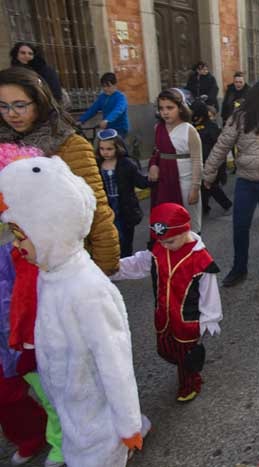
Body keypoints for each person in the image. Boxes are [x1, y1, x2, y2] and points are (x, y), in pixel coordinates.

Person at [0, 155, 147, 467]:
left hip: (100, 422)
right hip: (73, 416)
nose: (16, 247)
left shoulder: (87, 289)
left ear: (48, 229)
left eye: (20, 235)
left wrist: (128, 425)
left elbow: (115, 362)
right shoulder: (48, 276)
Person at [0, 66, 120, 273]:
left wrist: (104, 267)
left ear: (40, 102)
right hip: (19, 261)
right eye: (3, 106)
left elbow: (98, 211)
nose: (11, 114)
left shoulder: (70, 145)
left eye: (20, 105)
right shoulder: (5, 146)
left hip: (68, 264)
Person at [111, 202, 221, 403]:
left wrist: (209, 320)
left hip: (188, 323)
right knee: (166, 351)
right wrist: (113, 269)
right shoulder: (158, 249)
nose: (163, 246)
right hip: (163, 316)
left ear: (184, 230)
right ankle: (184, 367)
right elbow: (137, 264)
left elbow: (210, 295)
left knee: (185, 359)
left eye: (169, 241)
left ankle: (190, 382)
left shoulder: (201, 260)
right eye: (161, 241)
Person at [0, 143, 63, 467]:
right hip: (6, 321)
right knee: (12, 388)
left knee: (47, 380)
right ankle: (35, 433)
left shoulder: (32, 231)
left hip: (31, 315)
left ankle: (59, 436)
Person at [203, 80, 259, 286]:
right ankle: (238, 269)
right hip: (245, 181)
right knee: (240, 226)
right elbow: (221, 146)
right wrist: (208, 174)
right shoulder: (239, 119)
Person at [148, 88, 203, 233]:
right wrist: (153, 165)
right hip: (164, 183)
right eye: (161, 108)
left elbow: (197, 161)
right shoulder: (158, 128)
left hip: (185, 184)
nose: (165, 112)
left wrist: (195, 188)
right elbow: (156, 151)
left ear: (180, 108)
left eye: (170, 108)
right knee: (167, 223)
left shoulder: (189, 130)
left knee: (189, 225)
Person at [96, 129, 149, 258]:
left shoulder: (127, 164)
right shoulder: (97, 164)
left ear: (118, 148)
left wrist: (153, 176)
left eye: (109, 149)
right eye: (102, 149)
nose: (105, 152)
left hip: (125, 206)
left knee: (125, 236)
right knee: (110, 236)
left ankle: (125, 261)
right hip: (106, 206)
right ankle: (112, 259)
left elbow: (141, 182)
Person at [191, 101, 232, 214]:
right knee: (203, 187)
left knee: (211, 186)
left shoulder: (211, 126)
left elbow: (219, 147)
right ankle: (204, 208)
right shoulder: (192, 126)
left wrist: (218, 166)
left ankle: (226, 204)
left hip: (210, 162)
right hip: (197, 161)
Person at [79, 72, 130, 137]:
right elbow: (93, 109)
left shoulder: (120, 97)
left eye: (108, 86)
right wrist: (81, 120)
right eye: (103, 86)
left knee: (115, 145)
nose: (105, 88)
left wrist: (107, 120)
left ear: (115, 85)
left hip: (120, 128)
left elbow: (118, 110)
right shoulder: (102, 97)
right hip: (107, 128)